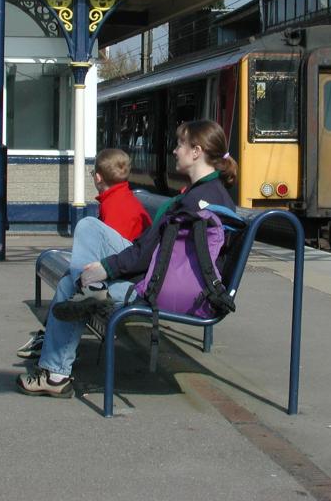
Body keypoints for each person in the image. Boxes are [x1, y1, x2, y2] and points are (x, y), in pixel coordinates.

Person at [16, 119, 238, 398]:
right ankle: (85, 299)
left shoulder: (193, 205)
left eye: (180, 144)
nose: (174, 150)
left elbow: (147, 254)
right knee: (86, 241)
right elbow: (154, 249)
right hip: (165, 275)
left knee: (71, 281)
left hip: (157, 286)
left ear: (196, 151)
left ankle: (56, 373)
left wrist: (107, 268)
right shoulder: (206, 194)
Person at [16, 148, 151, 360]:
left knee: (72, 281)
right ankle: (52, 337)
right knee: (72, 279)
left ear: (98, 177)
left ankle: (54, 342)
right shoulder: (122, 198)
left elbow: (113, 250)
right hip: (130, 266)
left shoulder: (116, 206)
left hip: (130, 276)